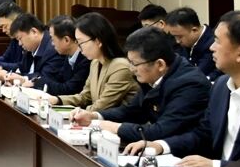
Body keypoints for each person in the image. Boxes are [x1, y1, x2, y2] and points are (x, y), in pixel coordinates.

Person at [124, 10, 240, 167]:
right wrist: (161, 145)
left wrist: (216, 166)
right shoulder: (221, 87)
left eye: (218, 41)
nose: (212, 47)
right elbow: (203, 133)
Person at [72, 26, 210, 145]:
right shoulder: (152, 76)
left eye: (134, 64)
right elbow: (132, 111)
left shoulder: (190, 84)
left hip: (187, 154)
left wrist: (112, 127)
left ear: (160, 64)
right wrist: (94, 116)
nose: (131, 69)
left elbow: (161, 131)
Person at [47, 12, 139, 111]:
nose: (79, 47)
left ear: (98, 41)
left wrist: (78, 112)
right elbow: (85, 96)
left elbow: (103, 105)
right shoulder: (95, 63)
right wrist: (57, 100)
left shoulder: (120, 66)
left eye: (81, 42)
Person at [0, 13, 66, 85]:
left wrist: (22, 78)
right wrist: (6, 73)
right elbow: (22, 67)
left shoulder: (54, 48)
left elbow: (45, 78)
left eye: (20, 38)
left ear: (34, 32)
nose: (20, 44)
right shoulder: (30, 48)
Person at [29, 15, 89, 96]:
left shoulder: (85, 59)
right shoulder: (68, 55)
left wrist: (38, 82)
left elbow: (69, 89)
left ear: (66, 40)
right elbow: (57, 80)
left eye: (53, 39)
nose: (52, 44)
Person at [166, 7, 219, 80]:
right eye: (174, 36)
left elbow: (196, 74)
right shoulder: (186, 43)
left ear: (194, 30)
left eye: (180, 37)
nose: (177, 41)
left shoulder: (212, 45)